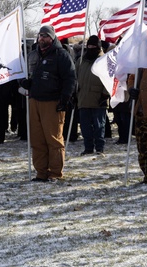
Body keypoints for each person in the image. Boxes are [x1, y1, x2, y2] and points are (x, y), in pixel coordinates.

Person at [23, 26, 76, 181]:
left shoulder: (62, 55)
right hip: (34, 100)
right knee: (37, 140)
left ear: (52, 38)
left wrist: (64, 99)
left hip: (52, 102)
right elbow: (28, 74)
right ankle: (41, 172)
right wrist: (27, 83)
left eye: (46, 36)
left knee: (53, 139)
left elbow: (70, 79)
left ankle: (55, 173)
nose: (42, 38)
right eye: (40, 36)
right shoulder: (33, 55)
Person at [76, 35, 109, 155]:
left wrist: (105, 95)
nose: (90, 48)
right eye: (88, 46)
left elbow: (108, 78)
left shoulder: (104, 60)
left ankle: (99, 148)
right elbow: (76, 76)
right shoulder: (81, 61)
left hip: (99, 98)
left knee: (99, 125)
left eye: (93, 46)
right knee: (85, 126)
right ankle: (88, 147)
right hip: (83, 97)